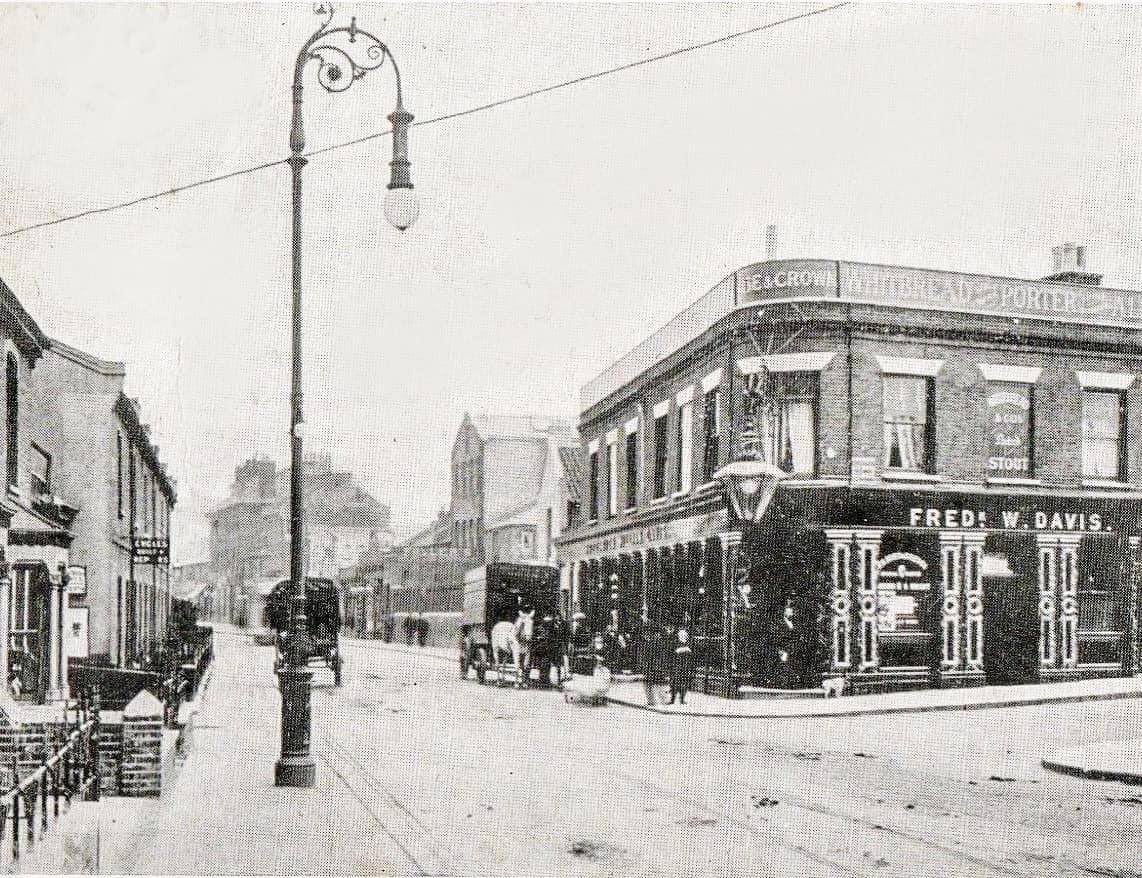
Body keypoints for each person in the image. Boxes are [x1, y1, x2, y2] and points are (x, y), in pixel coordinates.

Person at [640, 617, 667, 706]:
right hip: (656, 666)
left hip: (652, 666)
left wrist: (646, 665)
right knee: (657, 684)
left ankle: (653, 701)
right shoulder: (659, 642)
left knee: (651, 683)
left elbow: (647, 656)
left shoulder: (651, 643)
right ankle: (660, 701)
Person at [668, 625, 694, 705]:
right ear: (679, 635)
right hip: (676, 666)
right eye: (681, 635)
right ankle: (672, 699)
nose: (683, 636)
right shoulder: (675, 643)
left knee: (684, 683)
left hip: (686, 666)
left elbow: (692, 654)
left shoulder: (689, 643)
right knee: (674, 683)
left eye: (685, 635)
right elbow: (672, 652)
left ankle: (682, 699)